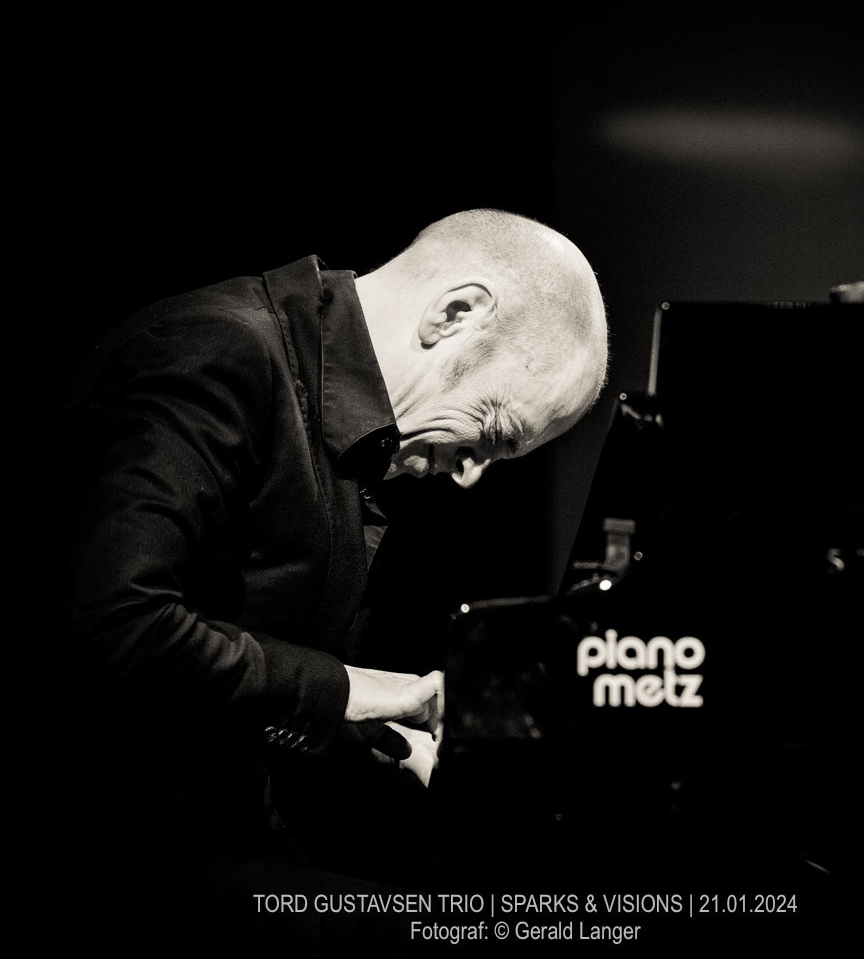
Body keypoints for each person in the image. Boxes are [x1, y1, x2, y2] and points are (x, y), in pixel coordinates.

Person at [60, 209, 608, 951]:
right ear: (454, 314)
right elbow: (116, 623)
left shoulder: (351, 434)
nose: (473, 475)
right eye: (495, 432)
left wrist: (383, 737)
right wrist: (348, 690)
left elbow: (236, 658)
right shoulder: (218, 350)